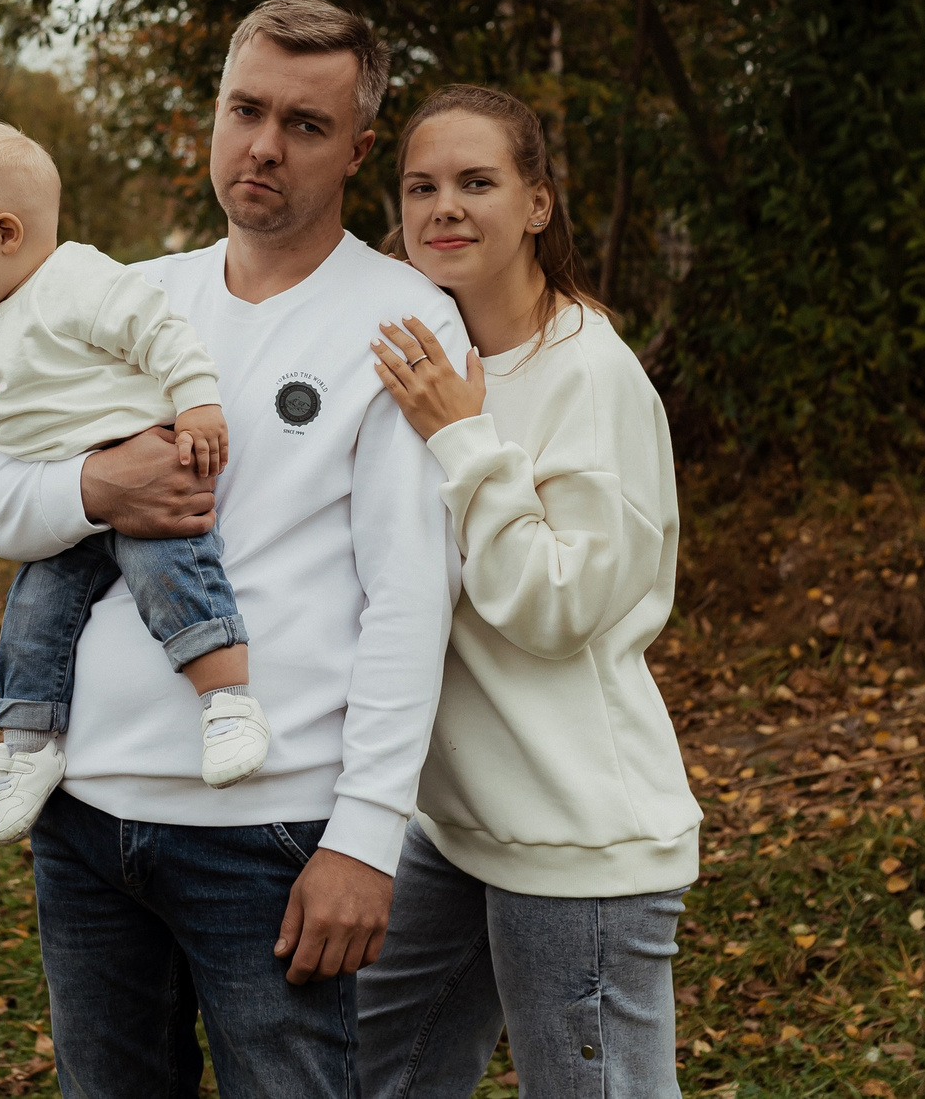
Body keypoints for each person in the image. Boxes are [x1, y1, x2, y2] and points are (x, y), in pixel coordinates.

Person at [0, 0, 460, 1099]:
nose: (263, 144)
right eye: (244, 109)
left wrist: (364, 837)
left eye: (305, 125)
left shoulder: (401, 319)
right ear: (215, 115)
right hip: (83, 822)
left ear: (358, 150)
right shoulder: (128, 294)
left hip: (265, 834)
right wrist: (94, 487)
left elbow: (412, 596)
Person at [356, 83, 700, 1099]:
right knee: (383, 1066)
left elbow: (556, 609)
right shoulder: (428, 355)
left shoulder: (586, 375)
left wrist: (464, 441)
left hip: (576, 834)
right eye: (421, 186)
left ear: (537, 205)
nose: (444, 207)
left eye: (476, 182)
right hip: (462, 826)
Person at [0, 121, 272, 843]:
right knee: (33, 614)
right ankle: (29, 745)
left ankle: (229, 701)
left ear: (6, 231)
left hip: (136, 454)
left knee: (174, 573)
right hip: (64, 491)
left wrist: (198, 401)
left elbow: (163, 334)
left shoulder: (79, 280)